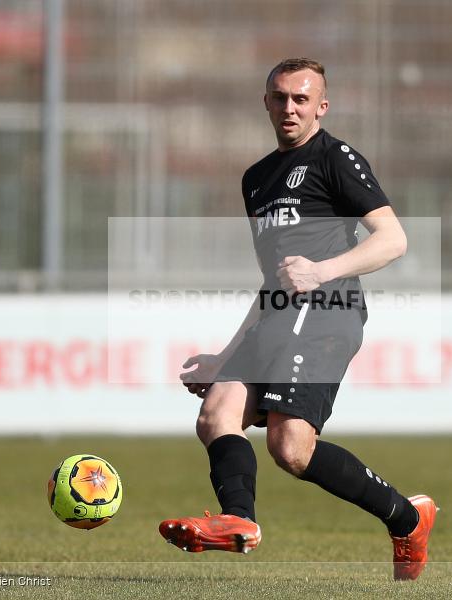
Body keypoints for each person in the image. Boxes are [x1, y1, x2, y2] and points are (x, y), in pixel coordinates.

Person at [159, 58, 437, 581]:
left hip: (329, 313)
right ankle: (238, 520)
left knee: (289, 447)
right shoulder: (257, 179)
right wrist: (225, 354)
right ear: (266, 102)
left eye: (301, 99)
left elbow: (393, 240)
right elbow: (275, 279)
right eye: (280, 97)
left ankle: (407, 517)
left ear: (321, 106)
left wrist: (321, 271)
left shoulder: (338, 159)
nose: (290, 107)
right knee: (216, 415)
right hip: (281, 313)